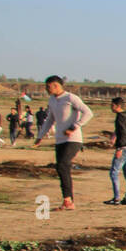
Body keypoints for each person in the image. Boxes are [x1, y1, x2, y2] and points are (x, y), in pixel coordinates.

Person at [34, 76, 94, 211]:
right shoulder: (52, 100)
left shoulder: (71, 98)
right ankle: (68, 200)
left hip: (74, 139)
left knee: (62, 165)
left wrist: (74, 126)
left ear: (56, 85)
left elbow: (88, 113)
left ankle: (68, 200)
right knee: (61, 168)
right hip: (60, 140)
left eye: (48, 86)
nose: (46, 89)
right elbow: (50, 120)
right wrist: (40, 137)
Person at [105, 96, 126, 205]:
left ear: (118, 106)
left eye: (112, 105)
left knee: (114, 173)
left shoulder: (120, 117)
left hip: (123, 148)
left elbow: (122, 132)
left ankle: (116, 197)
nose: (111, 107)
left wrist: (119, 148)